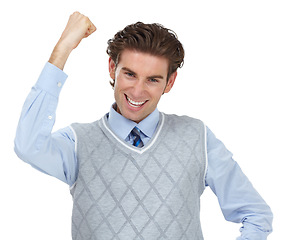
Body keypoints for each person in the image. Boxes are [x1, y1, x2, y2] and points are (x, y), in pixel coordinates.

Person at [14, 12, 273, 240]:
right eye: (129, 74)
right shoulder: (78, 142)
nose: (137, 91)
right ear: (112, 68)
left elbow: (255, 214)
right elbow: (27, 146)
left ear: (169, 83)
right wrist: (64, 48)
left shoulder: (196, 137)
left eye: (152, 79)